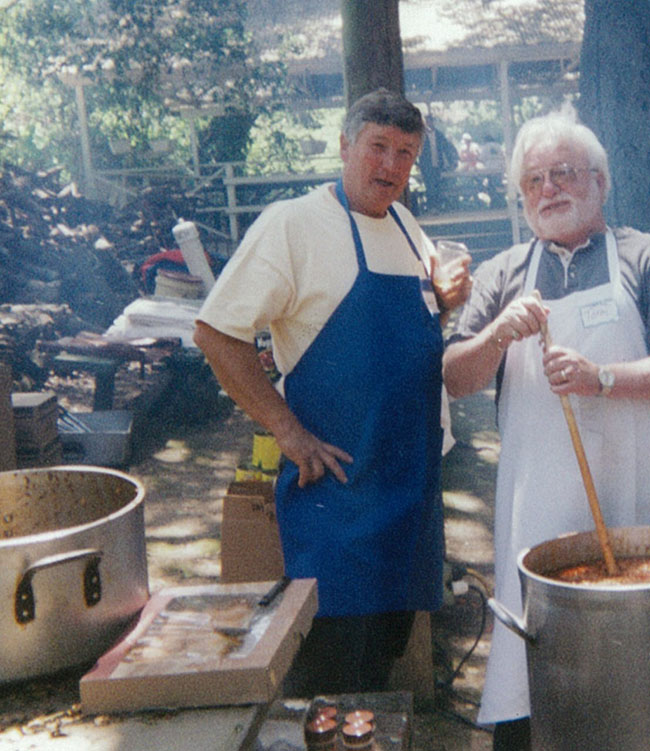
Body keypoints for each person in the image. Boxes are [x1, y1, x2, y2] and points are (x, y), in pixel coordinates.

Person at [442, 112, 650, 750]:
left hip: (642, 491)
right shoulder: (505, 273)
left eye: (564, 173)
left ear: (600, 181)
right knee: (539, 650)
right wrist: (496, 334)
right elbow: (457, 378)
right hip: (539, 502)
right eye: (534, 180)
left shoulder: (648, 257)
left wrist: (602, 377)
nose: (549, 190)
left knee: (647, 648)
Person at [193, 88, 472, 697]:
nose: (391, 166)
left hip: (410, 497)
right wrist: (287, 431)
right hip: (340, 500)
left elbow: (416, 345)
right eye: (377, 147)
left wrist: (448, 305)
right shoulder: (293, 225)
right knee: (330, 676)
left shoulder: (407, 227)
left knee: (381, 667)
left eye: (406, 153)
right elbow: (217, 333)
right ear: (344, 146)